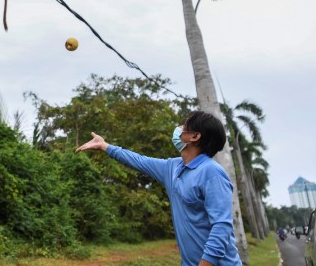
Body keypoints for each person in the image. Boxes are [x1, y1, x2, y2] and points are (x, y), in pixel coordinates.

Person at [75, 110, 242, 266]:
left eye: (184, 126)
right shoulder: (173, 167)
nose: (178, 129)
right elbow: (138, 160)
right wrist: (104, 146)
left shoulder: (212, 173)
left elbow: (221, 227)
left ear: (195, 136)